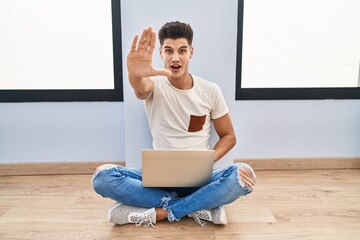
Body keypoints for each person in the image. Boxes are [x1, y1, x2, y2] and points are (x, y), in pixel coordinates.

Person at [92, 21, 256, 227]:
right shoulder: (154, 85)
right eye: (169, 51)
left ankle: (161, 212)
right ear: (161, 53)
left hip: (200, 179)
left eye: (182, 50)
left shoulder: (210, 90)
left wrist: (207, 161)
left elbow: (229, 136)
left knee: (244, 174)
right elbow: (141, 88)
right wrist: (135, 75)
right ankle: (199, 206)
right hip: (159, 179)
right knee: (102, 177)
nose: (175, 57)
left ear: (191, 53)